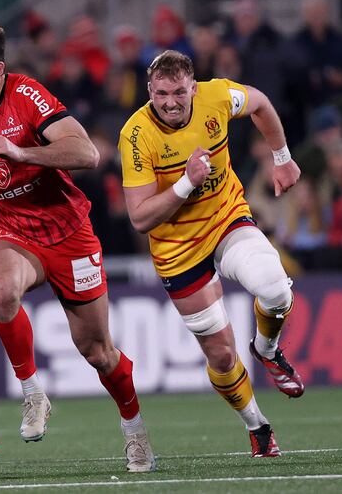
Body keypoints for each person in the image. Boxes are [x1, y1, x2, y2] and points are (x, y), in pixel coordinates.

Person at [0, 23, 155, 473]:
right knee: (0, 291)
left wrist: (22, 153)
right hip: (13, 229)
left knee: (97, 352)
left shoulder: (27, 95)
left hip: (68, 231)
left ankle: (134, 430)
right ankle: (33, 392)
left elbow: (87, 153)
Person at [118, 50, 304, 458]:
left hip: (225, 219)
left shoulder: (217, 96)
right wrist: (185, 184)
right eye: (162, 93)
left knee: (275, 288)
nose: (170, 102)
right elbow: (140, 217)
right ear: (150, 90)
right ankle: (257, 425)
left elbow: (260, 104)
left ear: (193, 88)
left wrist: (282, 157)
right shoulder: (135, 134)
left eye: (180, 93)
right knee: (220, 354)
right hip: (176, 248)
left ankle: (267, 350)